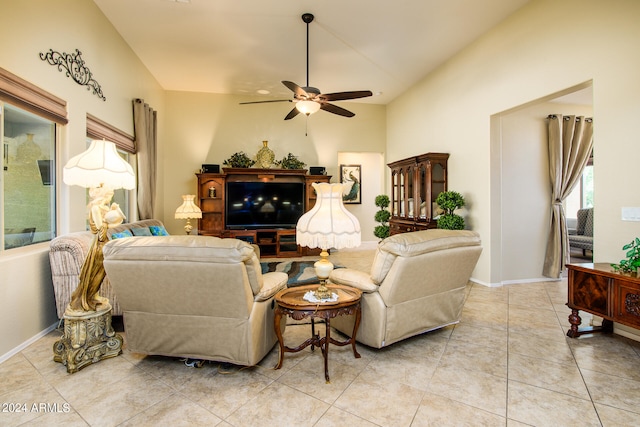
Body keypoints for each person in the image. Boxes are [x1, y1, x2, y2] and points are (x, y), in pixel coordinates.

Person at [68, 185, 126, 312]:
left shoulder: (103, 208)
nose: (110, 198)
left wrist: (117, 216)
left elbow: (108, 226)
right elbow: (101, 227)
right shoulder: (95, 208)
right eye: (109, 195)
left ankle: (93, 295)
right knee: (94, 272)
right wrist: (112, 216)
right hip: (98, 244)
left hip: (103, 241)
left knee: (101, 272)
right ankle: (87, 298)